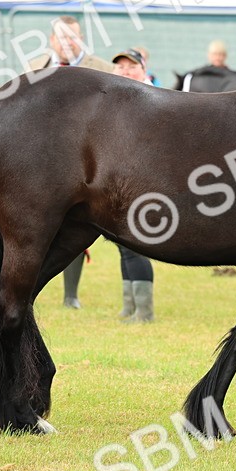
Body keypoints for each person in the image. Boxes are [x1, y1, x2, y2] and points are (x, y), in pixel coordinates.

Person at [26, 16, 110, 308]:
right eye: (61, 38)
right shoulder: (34, 66)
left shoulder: (101, 69)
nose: (66, 44)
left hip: (82, 158)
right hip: (38, 157)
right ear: (51, 41)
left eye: (72, 38)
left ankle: (70, 295)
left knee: (77, 220)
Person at [108, 47, 160, 322]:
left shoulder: (153, 98)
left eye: (131, 66)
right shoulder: (116, 99)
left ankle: (145, 311)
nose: (125, 71)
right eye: (120, 66)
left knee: (133, 242)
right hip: (121, 179)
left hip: (146, 180)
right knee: (121, 242)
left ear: (143, 70)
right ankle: (130, 306)